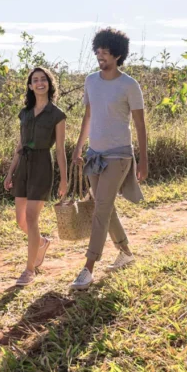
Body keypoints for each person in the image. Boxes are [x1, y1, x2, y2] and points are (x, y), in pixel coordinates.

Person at [69, 28, 148, 291]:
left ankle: (88, 268)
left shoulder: (129, 85)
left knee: (101, 209)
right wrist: (79, 147)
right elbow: (88, 116)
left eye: (105, 51)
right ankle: (125, 252)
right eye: (98, 51)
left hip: (119, 155)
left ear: (118, 53)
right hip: (95, 155)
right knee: (105, 206)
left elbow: (140, 125)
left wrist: (144, 159)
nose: (100, 55)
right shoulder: (91, 81)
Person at [3, 67, 68, 286]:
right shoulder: (25, 113)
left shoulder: (57, 115)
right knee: (21, 221)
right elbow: (20, 145)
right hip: (23, 166)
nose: (40, 83)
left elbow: (59, 149)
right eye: (35, 80)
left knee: (32, 218)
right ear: (30, 86)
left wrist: (64, 179)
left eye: (44, 79)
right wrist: (11, 172)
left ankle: (29, 270)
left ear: (49, 84)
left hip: (42, 165)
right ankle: (41, 242)